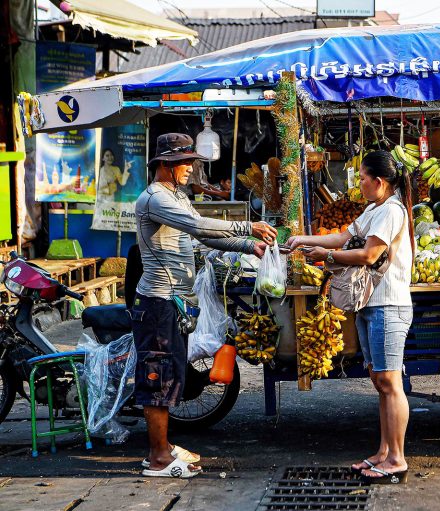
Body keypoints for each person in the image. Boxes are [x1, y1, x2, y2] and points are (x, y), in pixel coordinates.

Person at [133, 133, 277, 479]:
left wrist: (247, 245)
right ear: (166, 163)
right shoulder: (154, 198)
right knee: (158, 378)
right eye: (186, 163)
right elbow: (199, 225)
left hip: (174, 303)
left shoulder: (177, 196)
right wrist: (248, 225)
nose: (191, 169)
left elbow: (201, 236)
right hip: (158, 302)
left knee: (170, 376)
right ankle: (157, 458)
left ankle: (164, 447)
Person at [286, 150, 414, 485]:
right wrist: (304, 239)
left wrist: (326, 255)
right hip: (370, 305)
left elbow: (369, 254)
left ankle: (397, 458)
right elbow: (344, 236)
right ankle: (383, 452)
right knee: (379, 381)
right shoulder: (374, 209)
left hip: (389, 305)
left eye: (361, 177)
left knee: (390, 382)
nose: (358, 182)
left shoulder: (391, 211)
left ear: (379, 181)